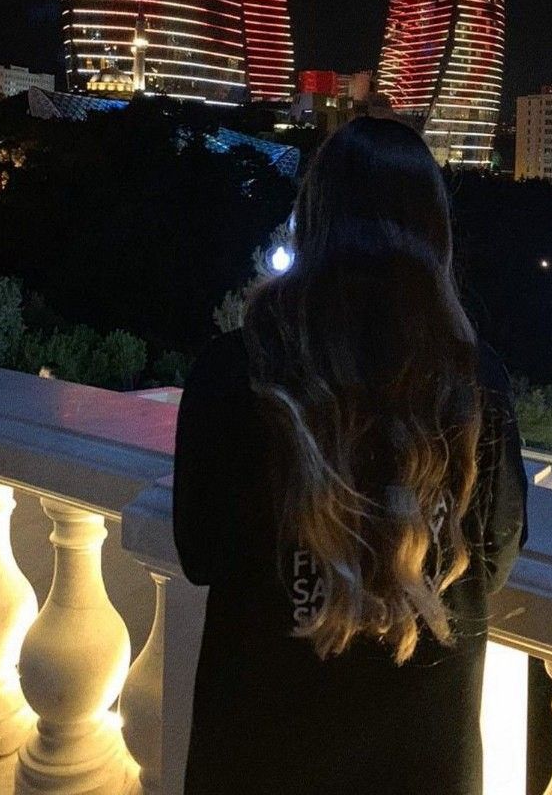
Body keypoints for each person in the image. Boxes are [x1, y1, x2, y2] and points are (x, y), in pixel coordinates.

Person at [174, 117, 527, 795]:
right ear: (433, 232)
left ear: (311, 221)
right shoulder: (472, 382)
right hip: (421, 757)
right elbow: (495, 553)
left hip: (256, 752)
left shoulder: (235, 370)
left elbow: (201, 551)